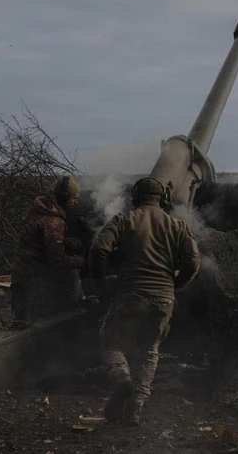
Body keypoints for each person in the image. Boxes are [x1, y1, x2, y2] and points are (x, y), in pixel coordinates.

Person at [88, 176, 201, 426]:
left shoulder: (124, 220)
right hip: (163, 299)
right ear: (164, 199)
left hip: (129, 293)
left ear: (135, 198)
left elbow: (98, 250)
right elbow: (193, 261)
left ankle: (121, 380)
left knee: (111, 344)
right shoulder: (178, 225)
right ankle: (135, 409)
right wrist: (175, 285)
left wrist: (100, 282)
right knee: (149, 351)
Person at [9, 176, 86, 329]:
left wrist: (67, 242)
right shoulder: (53, 222)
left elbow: (39, 239)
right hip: (36, 281)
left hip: (21, 273)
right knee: (40, 330)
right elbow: (57, 260)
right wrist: (82, 260)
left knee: (21, 323)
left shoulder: (40, 208)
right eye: (74, 198)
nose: (76, 202)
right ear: (64, 197)